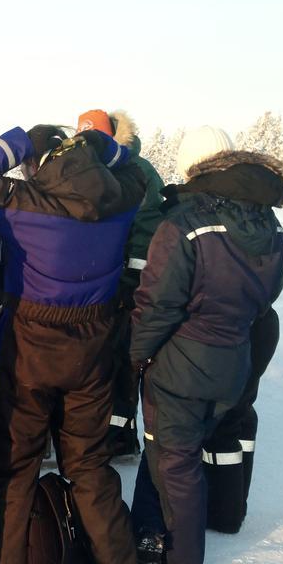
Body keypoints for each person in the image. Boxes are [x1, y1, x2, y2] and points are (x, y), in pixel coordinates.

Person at [0, 124, 146, 564]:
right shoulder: (121, 201)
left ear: (41, 165)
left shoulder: (25, 205)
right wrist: (103, 146)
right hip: (93, 351)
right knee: (89, 465)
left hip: (30, 348)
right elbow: (138, 170)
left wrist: (18, 142)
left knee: (12, 468)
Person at [128, 126, 283, 564]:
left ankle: (181, 561)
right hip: (234, 355)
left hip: (182, 362)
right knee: (185, 451)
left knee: (172, 459)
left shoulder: (184, 224)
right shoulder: (269, 226)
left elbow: (157, 304)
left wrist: (135, 357)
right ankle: (160, 533)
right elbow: (267, 297)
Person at [74, 109, 167, 460]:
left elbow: (146, 227)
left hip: (126, 284)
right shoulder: (88, 170)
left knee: (120, 359)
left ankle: (117, 438)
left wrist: (132, 279)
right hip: (96, 283)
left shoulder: (137, 171)